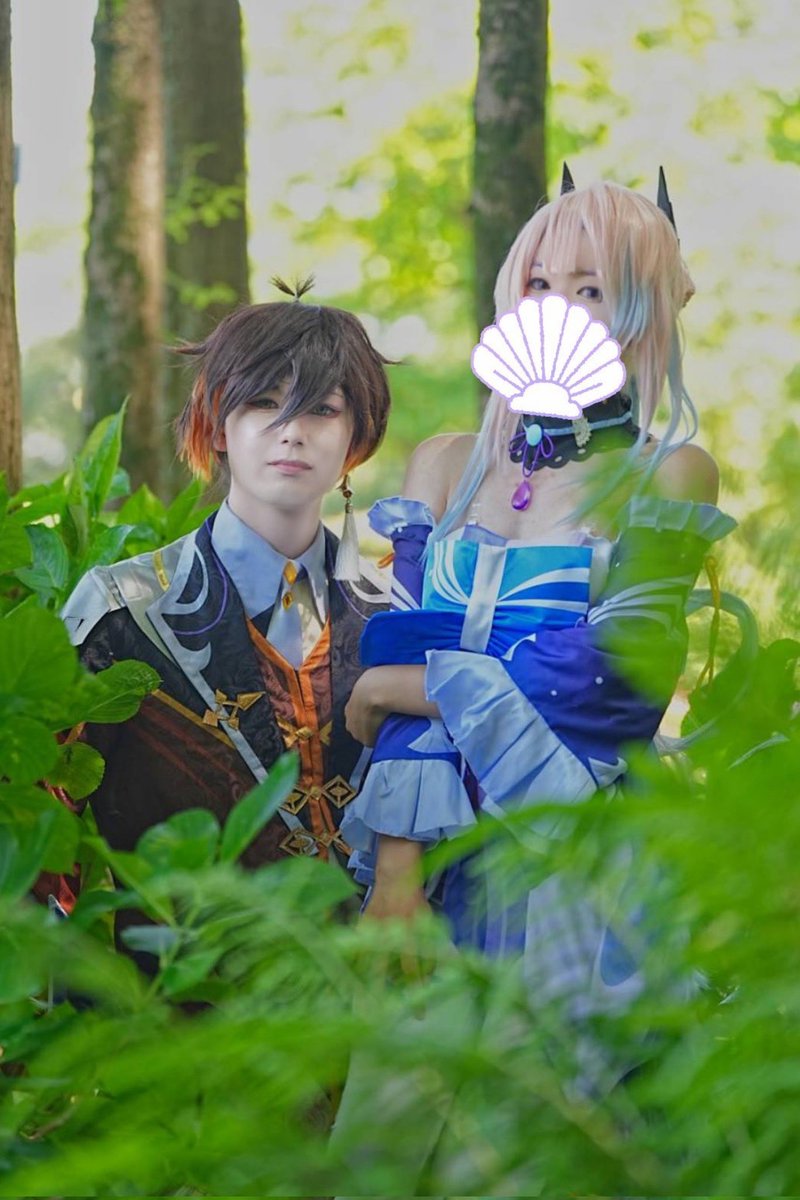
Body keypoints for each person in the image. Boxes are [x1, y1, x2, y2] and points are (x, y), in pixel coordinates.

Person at [339, 175, 736, 1045]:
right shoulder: (445, 465)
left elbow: (610, 681)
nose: (556, 308)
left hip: (581, 857)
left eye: (591, 290)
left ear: (647, 312)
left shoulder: (671, 474)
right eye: (539, 283)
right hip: (433, 851)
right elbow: (407, 642)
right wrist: (397, 867)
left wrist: (397, 689)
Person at [60, 295, 391, 889]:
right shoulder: (122, 611)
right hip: (180, 947)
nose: (292, 431)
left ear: (356, 437)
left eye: (322, 408)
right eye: (263, 402)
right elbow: (35, 840)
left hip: (389, 949)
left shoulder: (398, 614)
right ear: (216, 424)